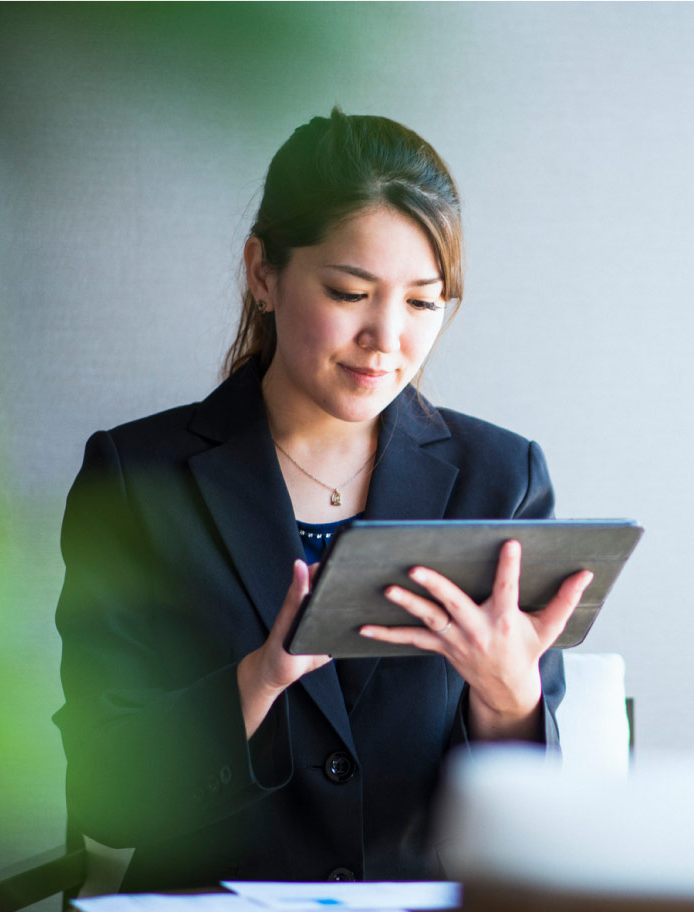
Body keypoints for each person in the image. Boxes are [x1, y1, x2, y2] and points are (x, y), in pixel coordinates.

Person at [52, 109, 592, 890]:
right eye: (350, 291)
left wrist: (509, 692)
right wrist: (260, 679)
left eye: (422, 302)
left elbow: (530, 818)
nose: (387, 338)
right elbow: (105, 796)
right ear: (263, 273)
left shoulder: (500, 478)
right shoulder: (138, 479)